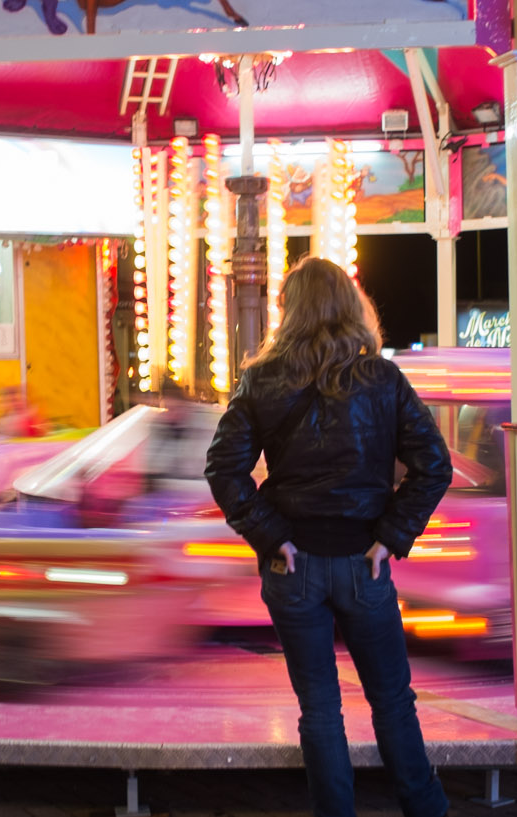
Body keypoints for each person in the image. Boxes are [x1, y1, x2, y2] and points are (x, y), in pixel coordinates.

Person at [205, 257, 451, 817]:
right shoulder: (382, 379)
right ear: (348, 304)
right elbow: (434, 465)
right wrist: (390, 536)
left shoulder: (262, 379)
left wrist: (272, 538)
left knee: (319, 706)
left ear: (290, 310)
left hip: (294, 567)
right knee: (392, 699)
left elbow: (224, 470)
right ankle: (427, 808)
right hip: (364, 563)